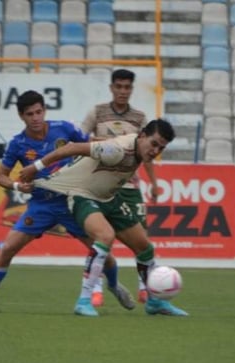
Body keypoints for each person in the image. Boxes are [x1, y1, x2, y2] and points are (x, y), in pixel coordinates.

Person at [0, 90, 135, 313]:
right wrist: (17, 186)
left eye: (38, 112)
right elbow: (1, 177)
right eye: (29, 114)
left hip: (72, 201)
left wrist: (118, 147)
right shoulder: (17, 144)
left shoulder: (63, 129)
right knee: (8, 248)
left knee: (103, 250)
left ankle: (113, 285)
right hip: (41, 206)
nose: (35, 118)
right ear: (21, 116)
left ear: (44, 110)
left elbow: (90, 145)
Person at [17, 118, 188, 317]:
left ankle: (155, 302)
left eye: (161, 148)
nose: (155, 151)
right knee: (105, 236)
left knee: (145, 247)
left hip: (109, 198)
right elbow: (70, 149)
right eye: (154, 144)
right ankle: (83, 301)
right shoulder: (116, 151)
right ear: (142, 136)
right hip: (83, 196)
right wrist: (35, 167)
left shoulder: (138, 149)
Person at [81, 68, 160, 306]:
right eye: (119, 86)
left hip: (130, 187)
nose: (123, 91)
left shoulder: (139, 118)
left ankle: (145, 286)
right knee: (101, 238)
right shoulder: (97, 113)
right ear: (112, 88)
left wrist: (154, 183)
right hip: (101, 187)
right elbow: (80, 139)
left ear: (132, 89)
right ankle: (95, 287)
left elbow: (148, 152)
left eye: (127, 87)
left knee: (141, 239)